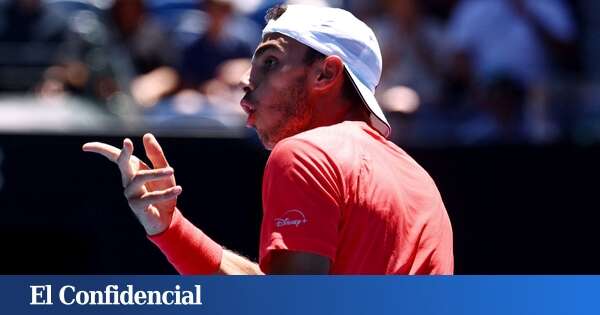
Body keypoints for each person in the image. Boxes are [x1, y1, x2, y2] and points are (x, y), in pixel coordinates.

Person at [83, 4, 454, 275]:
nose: (246, 85)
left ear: (325, 74)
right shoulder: (421, 181)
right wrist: (170, 227)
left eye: (270, 62)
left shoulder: (305, 154)